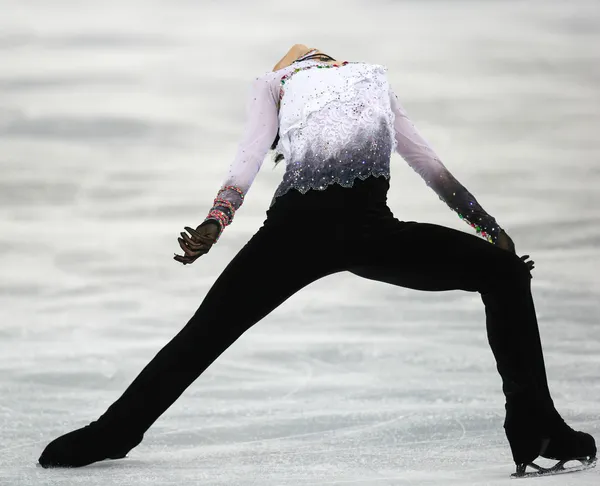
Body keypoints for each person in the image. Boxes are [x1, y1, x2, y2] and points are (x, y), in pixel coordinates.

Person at [38, 44, 595, 474]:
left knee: (202, 335)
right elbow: (429, 163)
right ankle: (536, 424)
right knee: (503, 276)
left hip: (294, 234)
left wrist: (216, 221)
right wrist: (488, 228)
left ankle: (114, 432)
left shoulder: (275, 81)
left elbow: (249, 155)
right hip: (368, 231)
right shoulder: (372, 77)